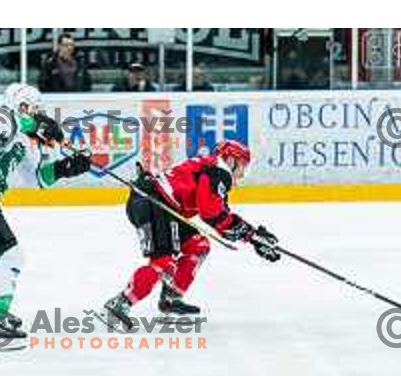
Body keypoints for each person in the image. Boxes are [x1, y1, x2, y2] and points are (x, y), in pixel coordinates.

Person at [0, 83, 92, 346]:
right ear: (19, 104)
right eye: (32, 109)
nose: (35, 113)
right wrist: (36, 126)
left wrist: (67, 168)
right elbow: (5, 126)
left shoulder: (25, 141)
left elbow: (36, 179)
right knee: (11, 255)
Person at [103, 140, 281, 329]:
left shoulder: (213, 169)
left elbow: (221, 216)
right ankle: (121, 302)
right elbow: (211, 214)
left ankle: (171, 297)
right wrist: (250, 235)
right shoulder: (219, 171)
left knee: (198, 245)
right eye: (243, 165)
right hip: (154, 204)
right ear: (231, 160)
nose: (243, 173)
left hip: (162, 205)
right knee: (163, 262)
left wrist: (252, 237)